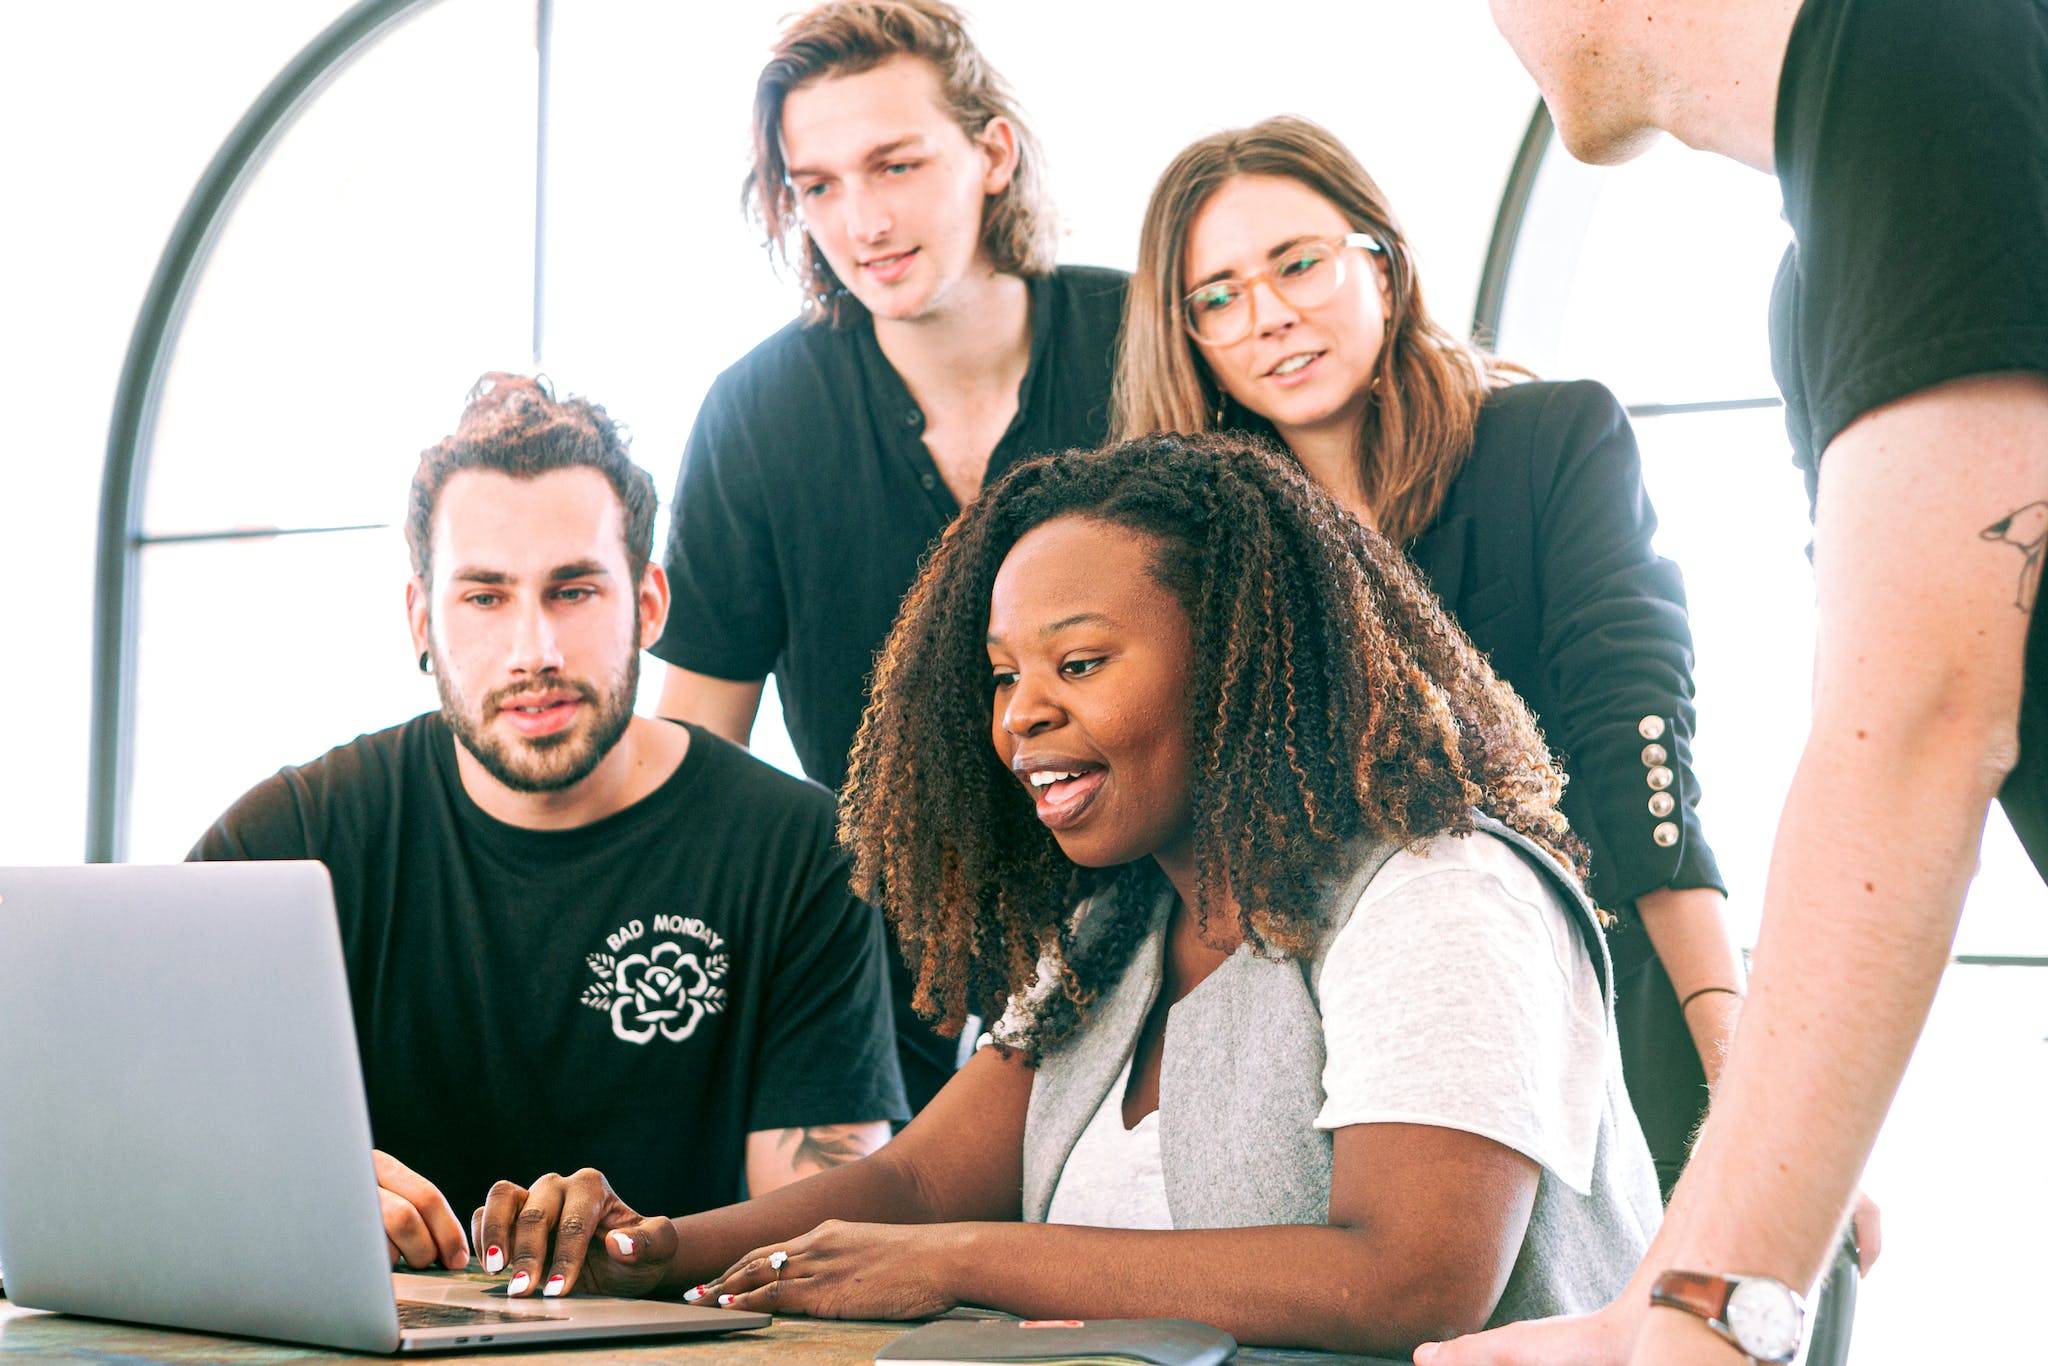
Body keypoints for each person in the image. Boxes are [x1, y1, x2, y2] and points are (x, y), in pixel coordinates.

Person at [461, 432, 1663, 1356]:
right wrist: (647, 1250)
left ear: (1240, 655)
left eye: (1078, 663)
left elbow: (1410, 1274)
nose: (1019, 714)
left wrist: (968, 1262)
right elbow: (916, 1182)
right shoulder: (1122, 924)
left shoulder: (1438, 891)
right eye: (1001, 676)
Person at [1426, 2, 2048, 1363]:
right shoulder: (1823, 251)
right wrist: (1673, 1295)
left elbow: (1922, 726)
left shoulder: (1929, 45)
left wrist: (1709, 1311)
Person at [1116, 115, 1741, 1195]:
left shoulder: (1548, 444)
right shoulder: (1188, 548)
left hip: (1587, 975)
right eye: (1215, 296)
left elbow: (1634, 731)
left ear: (1384, 263)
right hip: (1333, 1027)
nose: (1266, 316)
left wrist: (1728, 1036)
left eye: (1296, 264)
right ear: (1190, 342)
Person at [191, 374, 907, 1283]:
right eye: (485, 598)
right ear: (421, 619)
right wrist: (292, 1191)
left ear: (648, 603)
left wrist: (644, 1251)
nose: (535, 650)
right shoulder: (292, 836)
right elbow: (132, 1118)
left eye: (573, 592)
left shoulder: (798, 849)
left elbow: (819, 1239)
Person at [650, 0, 1126, 1112]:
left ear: (991, 151)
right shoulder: (756, 414)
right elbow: (693, 759)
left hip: (1165, 933)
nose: (860, 219)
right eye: (816, 186)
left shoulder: (1140, 340)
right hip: (888, 979)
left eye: (895, 164)